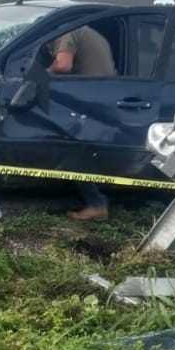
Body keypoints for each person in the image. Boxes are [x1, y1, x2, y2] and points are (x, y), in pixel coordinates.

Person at [45, 25, 117, 221]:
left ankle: (96, 204)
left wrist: (44, 73)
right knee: (80, 151)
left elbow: (63, 65)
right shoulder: (83, 31)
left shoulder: (65, 32)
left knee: (74, 152)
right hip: (104, 95)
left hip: (93, 98)